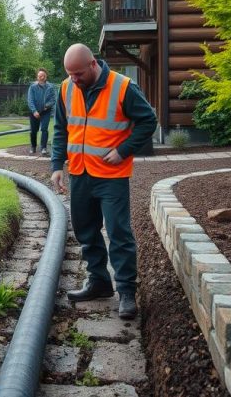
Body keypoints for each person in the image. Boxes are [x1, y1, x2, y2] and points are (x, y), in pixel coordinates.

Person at [50, 44, 157, 320]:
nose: (74, 79)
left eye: (78, 73)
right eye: (69, 74)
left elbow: (148, 121)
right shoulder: (65, 88)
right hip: (81, 173)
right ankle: (98, 282)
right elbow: (61, 128)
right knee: (86, 231)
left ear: (93, 64)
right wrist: (56, 166)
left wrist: (123, 150)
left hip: (111, 176)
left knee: (119, 233)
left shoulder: (123, 88)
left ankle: (126, 292)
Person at [26, 68, 56, 155]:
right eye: (39, 76)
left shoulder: (50, 87)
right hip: (34, 112)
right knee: (33, 130)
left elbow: (53, 99)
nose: (41, 77)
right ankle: (33, 147)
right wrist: (34, 111)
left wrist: (47, 105)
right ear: (37, 77)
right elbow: (30, 100)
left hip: (45, 111)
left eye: (43, 76)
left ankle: (43, 148)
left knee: (44, 129)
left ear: (46, 77)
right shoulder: (32, 87)